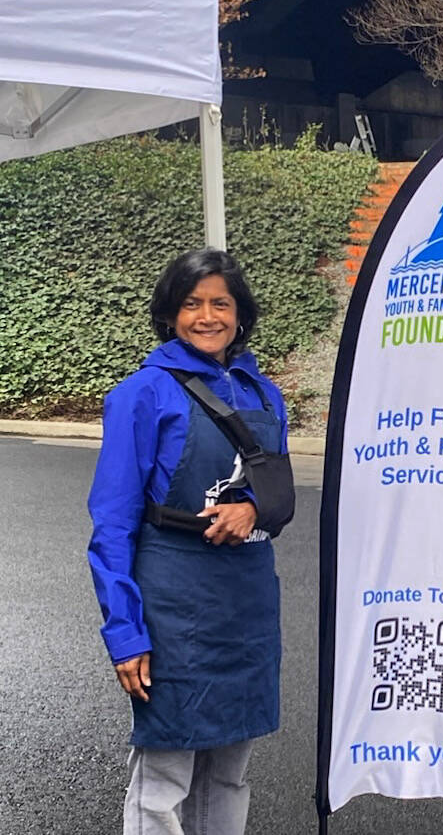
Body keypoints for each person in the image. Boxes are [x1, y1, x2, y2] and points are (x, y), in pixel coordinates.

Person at [87, 249, 289, 835]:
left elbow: (276, 498)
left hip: (246, 606)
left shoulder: (263, 393)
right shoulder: (143, 393)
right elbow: (113, 524)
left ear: (239, 312)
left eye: (219, 303)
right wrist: (125, 633)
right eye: (191, 304)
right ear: (170, 314)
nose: (206, 317)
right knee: (164, 776)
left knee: (229, 774)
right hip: (173, 602)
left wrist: (251, 508)